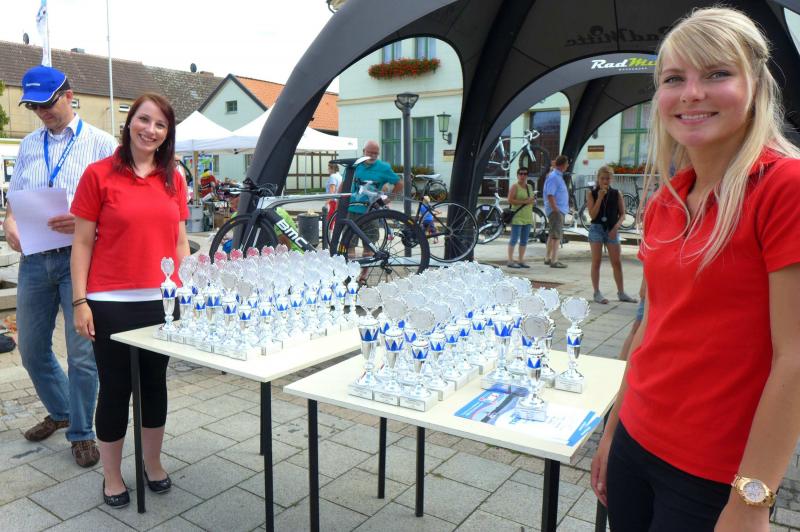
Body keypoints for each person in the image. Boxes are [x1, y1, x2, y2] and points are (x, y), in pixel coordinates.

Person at [590, 7, 800, 531]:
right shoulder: (667, 200)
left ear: (756, 85)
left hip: (711, 472)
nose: (691, 93)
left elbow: (795, 359)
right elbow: (650, 327)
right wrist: (612, 429)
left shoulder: (783, 188)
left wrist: (752, 502)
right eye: (673, 79)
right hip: (635, 442)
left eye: (717, 73)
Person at [70, 93, 190, 508]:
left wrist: (189, 289)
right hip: (109, 301)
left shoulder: (173, 178)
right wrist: (80, 302)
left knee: (154, 385)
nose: (150, 130)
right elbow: (82, 243)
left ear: (167, 133)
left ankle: (151, 463)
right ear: (129, 123)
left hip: (162, 301)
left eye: (160, 124)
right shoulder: (98, 174)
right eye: (143, 119)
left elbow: (179, 241)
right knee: (116, 388)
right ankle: (111, 475)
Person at [3, 65, 117, 467]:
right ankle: (62, 409)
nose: (41, 112)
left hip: (78, 259)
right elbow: (14, 198)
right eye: (33, 106)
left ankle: (82, 432)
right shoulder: (29, 145)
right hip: (34, 259)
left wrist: (88, 221)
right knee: (31, 349)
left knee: (82, 352)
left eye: (47, 103)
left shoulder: (102, 144)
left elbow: (118, 205)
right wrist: (9, 223)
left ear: (69, 95)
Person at [347, 141, 402, 280]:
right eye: (369, 152)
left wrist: (386, 200)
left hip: (371, 213)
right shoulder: (354, 165)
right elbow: (344, 183)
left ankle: (363, 275)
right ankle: (350, 275)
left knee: (369, 246)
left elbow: (399, 183)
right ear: (363, 151)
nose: (372, 155)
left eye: (375, 153)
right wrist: (339, 202)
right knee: (349, 244)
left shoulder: (383, 167)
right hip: (351, 210)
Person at [585, 165, 637, 303]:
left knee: (616, 262)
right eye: (602, 178)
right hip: (596, 229)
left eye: (607, 178)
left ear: (611, 179)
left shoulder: (616, 193)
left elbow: (623, 214)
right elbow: (592, 215)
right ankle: (597, 292)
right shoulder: (592, 193)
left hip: (612, 229)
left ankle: (621, 292)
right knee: (596, 261)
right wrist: (600, 198)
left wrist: (616, 228)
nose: (605, 181)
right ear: (598, 179)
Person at [542, 155, 569, 268]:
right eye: (567, 164)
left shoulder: (556, 176)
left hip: (557, 210)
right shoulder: (554, 177)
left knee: (552, 234)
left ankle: (548, 258)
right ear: (563, 165)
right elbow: (550, 194)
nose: (568, 166)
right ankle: (554, 260)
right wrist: (556, 209)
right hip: (556, 211)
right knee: (556, 236)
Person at [506, 167, 535, 268]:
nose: (523, 176)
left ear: (527, 176)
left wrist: (532, 201)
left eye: (525, 174)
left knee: (524, 240)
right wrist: (525, 201)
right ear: (517, 175)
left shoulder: (529, 187)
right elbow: (510, 200)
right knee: (514, 239)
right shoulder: (515, 186)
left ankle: (521, 260)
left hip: (527, 217)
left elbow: (531, 199)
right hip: (517, 217)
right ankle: (510, 260)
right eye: (521, 174)